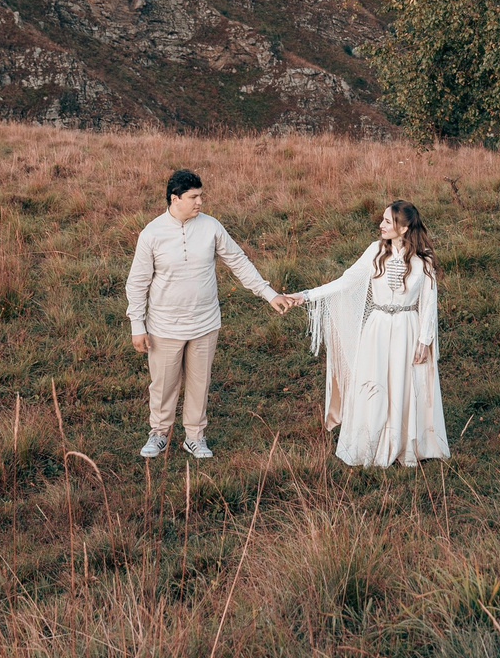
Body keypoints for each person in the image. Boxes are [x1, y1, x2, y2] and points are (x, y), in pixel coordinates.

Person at [275, 200, 449, 468]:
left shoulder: (422, 261)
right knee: (374, 383)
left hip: (407, 328)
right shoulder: (375, 251)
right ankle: (371, 443)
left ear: (403, 229)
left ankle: (404, 445)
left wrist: (424, 340)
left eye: (388, 222)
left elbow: (428, 303)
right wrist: (305, 296)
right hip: (377, 327)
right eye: (383, 220)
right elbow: (345, 282)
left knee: (404, 383)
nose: (381, 225)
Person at [125, 168, 283, 460]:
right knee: (163, 384)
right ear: (175, 199)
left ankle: (195, 437)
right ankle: (159, 434)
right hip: (164, 326)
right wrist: (138, 323)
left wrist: (268, 293)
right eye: (194, 197)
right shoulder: (152, 233)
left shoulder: (211, 227)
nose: (200, 202)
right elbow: (137, 282)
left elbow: (238, 261)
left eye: (201, 196)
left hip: (205, 323)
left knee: (200, 383)